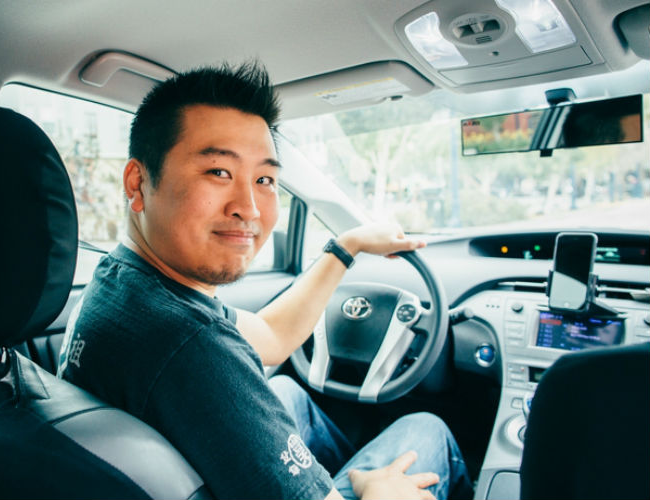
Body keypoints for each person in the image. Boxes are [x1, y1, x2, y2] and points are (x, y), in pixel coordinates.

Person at [58, 62, 472, 500]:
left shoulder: (122, 282)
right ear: (137, 183)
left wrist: (346, 247)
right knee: (425, 430)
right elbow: (205, 349)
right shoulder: (193, 346)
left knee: (289, 392)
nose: (250, 208)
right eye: (219, 172)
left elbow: (271, 336)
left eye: (265, 180)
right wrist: (376, 491)